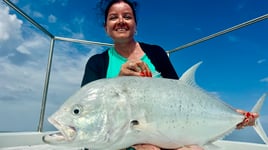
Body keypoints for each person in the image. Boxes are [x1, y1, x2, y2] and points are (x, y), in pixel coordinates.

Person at [81, 0, 258, 150]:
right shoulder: (97, 63)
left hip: (165, 138)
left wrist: (235, 115)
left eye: (127, 16)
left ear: (135, 26)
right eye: (113, 17)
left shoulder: (156, 53)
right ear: (106, 28)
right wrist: (118, 82)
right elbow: (88, 111)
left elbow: (182, 96)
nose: (121, 21)